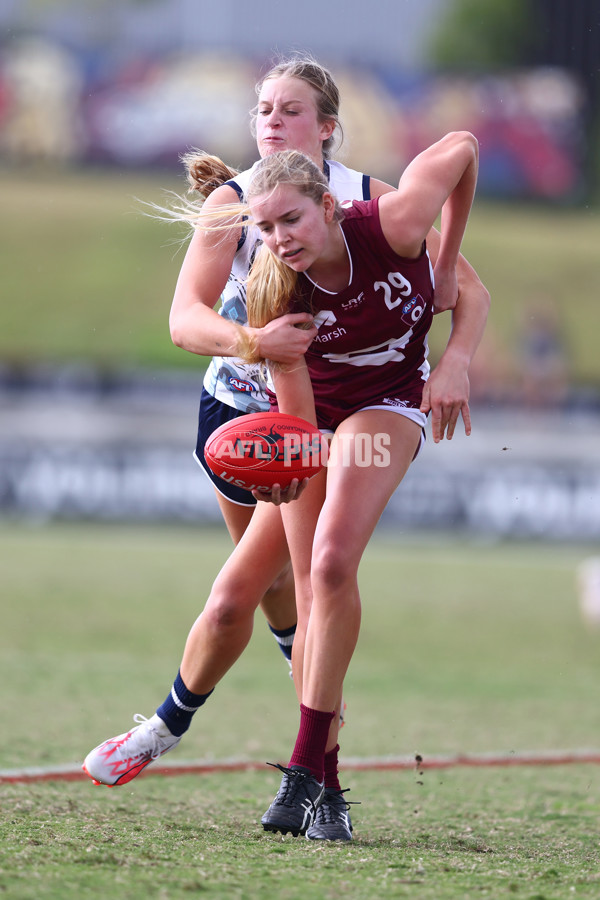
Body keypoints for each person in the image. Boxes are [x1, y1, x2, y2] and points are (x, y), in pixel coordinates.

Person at [82, 57, 489, 842]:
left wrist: (452, 327)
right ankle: (230, 733)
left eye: (290, 109)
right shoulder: (247, 223)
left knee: (314, 578)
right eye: (261, 106)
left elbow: (467, 269)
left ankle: (302, 769)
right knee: (264, 595)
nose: (269, 119)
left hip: (367, 407)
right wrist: (254, 343)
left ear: (327, 130)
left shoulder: (379, 206)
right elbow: (187, 323)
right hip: (250, 410)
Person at [223, 135, 488, 838]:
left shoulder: (396, 224)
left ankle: (304, 771)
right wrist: (291, 469)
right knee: (312, 592)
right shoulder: (274, 289)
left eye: (292, 220)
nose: (279, 239)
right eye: (265, 227)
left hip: (388, 408)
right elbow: (304, 424)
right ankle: (329, 789)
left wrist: (448, 293)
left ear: (332, 208)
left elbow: (462, 147)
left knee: (336, 561)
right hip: (321, 418)